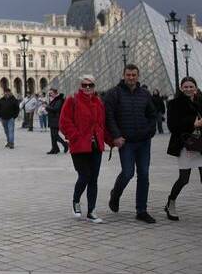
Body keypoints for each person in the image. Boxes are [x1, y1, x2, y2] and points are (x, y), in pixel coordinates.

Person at [106, 64, 158, 223]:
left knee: (144, 174)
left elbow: (152, 114)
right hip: (126, 141)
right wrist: (116, 136)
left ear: (138, 76)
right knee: (128, 173)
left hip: (143, 141)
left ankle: (141, 210)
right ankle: (115, 194)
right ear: (123, 75)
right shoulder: (114, 93)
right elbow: (109, 116)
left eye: (134, 75)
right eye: (128, 75)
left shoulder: (145, 93)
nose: (131, 77)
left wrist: (150, 131)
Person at [59, 75, 106, 223]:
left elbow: (101, 123)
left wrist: (111, 140)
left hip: (96, 146)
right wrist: (76, 136)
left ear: (94, 86)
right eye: (84, 85)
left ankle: (92, 211)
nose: (87, 88)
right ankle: (76, 201)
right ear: (80, 86)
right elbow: (64, 122)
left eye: (90, 85)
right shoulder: (72, 100)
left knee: (94, 179)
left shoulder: (98, 102)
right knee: (84, 175)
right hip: (79, 146)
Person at [164, 76, 202, 221]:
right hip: (185, 145)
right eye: (185, 87)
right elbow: (173, 126)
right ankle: (170, 202)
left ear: (196, 88)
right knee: (184, 179)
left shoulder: (200, 101)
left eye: (191, 86)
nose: (188, 89)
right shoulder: (174, 104)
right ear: (181, 88)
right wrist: (194, 124)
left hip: (200, 145)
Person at [45, 88, 69, 154]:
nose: (50, 95)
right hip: (52, 119)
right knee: (52, 135)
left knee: (55, 135)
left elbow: (56, 109)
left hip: (56, 120)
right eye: (49, 93)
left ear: (55, 93)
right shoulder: (54, 99)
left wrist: (47, 107)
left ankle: (65, 144)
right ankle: (55, 148)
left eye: (51, 93)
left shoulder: (59, 99)